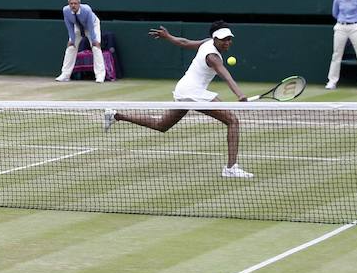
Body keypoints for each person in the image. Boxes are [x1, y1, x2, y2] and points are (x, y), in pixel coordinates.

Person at [104, 22, 253, 178]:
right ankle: (231, 168)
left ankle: (116, 115)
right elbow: (225, 75)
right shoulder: (213, 57)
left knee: (161, 125)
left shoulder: (207, 42)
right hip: (193, 93)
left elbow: (185, 43)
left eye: (229, 39)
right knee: (232, 121)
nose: (227, 42)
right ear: (214, 39)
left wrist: (168, 37)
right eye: (223, 39)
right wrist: (240, 94)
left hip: (184, 90)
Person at [55, 0, 105, 83]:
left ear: (79, 4)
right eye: (71, 4)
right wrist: (72, 40)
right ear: (68, 4)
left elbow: (90, 26)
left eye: (75, 3)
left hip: (92, 26)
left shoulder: (87, 10)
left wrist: (94, 40)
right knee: (71, 47)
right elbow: (69, 26)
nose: (73, 5)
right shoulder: (66, 10)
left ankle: (100, 75)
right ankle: (65, 74)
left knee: (96, 48)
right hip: (77, 27)